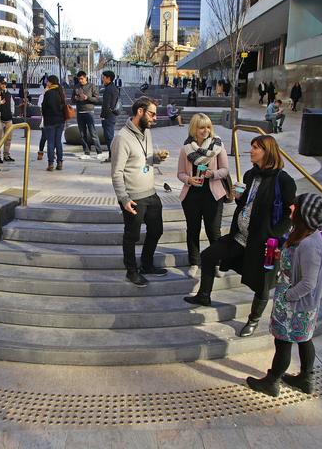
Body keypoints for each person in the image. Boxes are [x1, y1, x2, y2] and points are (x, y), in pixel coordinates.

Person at [184, 135, 296, 339]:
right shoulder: (250, 175)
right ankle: (204, 295)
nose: (251, 150)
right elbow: (246, 204)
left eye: (255, 148)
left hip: (263, 243)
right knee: (209, 256)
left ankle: (253, 320)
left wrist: (273, 236)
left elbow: (290, 215)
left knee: (262, 284)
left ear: (267, 151)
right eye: (252, 146)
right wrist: (239, 197)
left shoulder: (283, 181)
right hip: (239, 236)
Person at [246, 194, 322, 397]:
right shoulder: (305, 234)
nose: (291, 207)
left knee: (283, 342)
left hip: (296, 304)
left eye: (296, 206)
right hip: (301, 303)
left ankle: (272, 382)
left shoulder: (310, 245)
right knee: (304, 339)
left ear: (304, 213)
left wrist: (288, 296)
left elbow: (309, 282)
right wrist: (280, 255)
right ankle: (305, 379)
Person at [111, 97, 169, 286]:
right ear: (140, 112)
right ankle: (131, 271)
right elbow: (117, 173)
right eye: (151, 114)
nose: (155, 118)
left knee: (156, 230)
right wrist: (124, 198)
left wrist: (157, 158)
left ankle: (147, 264)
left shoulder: (147, 132)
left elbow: (145, 159)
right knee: (132, 236)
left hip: (151, 193)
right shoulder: (122, 138)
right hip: (133, 198)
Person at [177, 114, 230, 278]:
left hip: (213, 194)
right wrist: (188, 179)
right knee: (193, 229)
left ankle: (216, 263)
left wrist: (212, 174)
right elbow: (180, 173)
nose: (206, 130)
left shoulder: (218, 146)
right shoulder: (186, 149)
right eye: (201, 127)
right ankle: (194, 262)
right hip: (191, 194)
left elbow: (225, 170)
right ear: (194, 129)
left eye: (208, 127)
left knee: (213, 230)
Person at [72, 70, 104, 159]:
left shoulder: (92, 86)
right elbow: (72, 100)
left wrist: (87, 97)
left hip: (89, 112)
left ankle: (99, 152)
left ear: (85, 77)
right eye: (79, 79)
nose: (80, 81)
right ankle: (86, 152)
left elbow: (97, 99)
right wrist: (75, 98)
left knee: (93, 132)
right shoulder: (76, 87)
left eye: (82, 79)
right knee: (82, 134)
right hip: (79, 112)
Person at [41, 75, 66, 171]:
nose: (46, 83)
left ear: (51, 82)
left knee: (50, 142)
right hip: (60, 121)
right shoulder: (60, 92)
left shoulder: (48, 93)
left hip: (50, 121)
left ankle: (50, 164)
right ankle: (60, 163)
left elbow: (44, 107)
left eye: (47, 81)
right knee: (58, 142)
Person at [0, 76, 15, 164]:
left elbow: (12, 103)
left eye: (5, 84)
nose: (4, 85)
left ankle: (6, 155)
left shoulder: (8, 93)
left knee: (8, 138)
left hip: (8, 119)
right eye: (2, 83)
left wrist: (11, 113)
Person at [100, 70, 120, 163]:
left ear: (108, 78)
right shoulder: (114, 88)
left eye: (103, 77)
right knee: (110, 137)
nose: (102, 79)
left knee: (109, 138)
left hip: (108, 116)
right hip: (112, 116)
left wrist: (103, 116)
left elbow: (106, 105)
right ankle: (112, 156)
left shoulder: (108, 89)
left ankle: (112, 156)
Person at [37, 86, 48, 160]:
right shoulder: (42, 96)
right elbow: (40, 107)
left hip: (53, 119)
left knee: (52, 138)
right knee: (44, 137)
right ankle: (40, 152)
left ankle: (52, 153)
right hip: (45, 119)